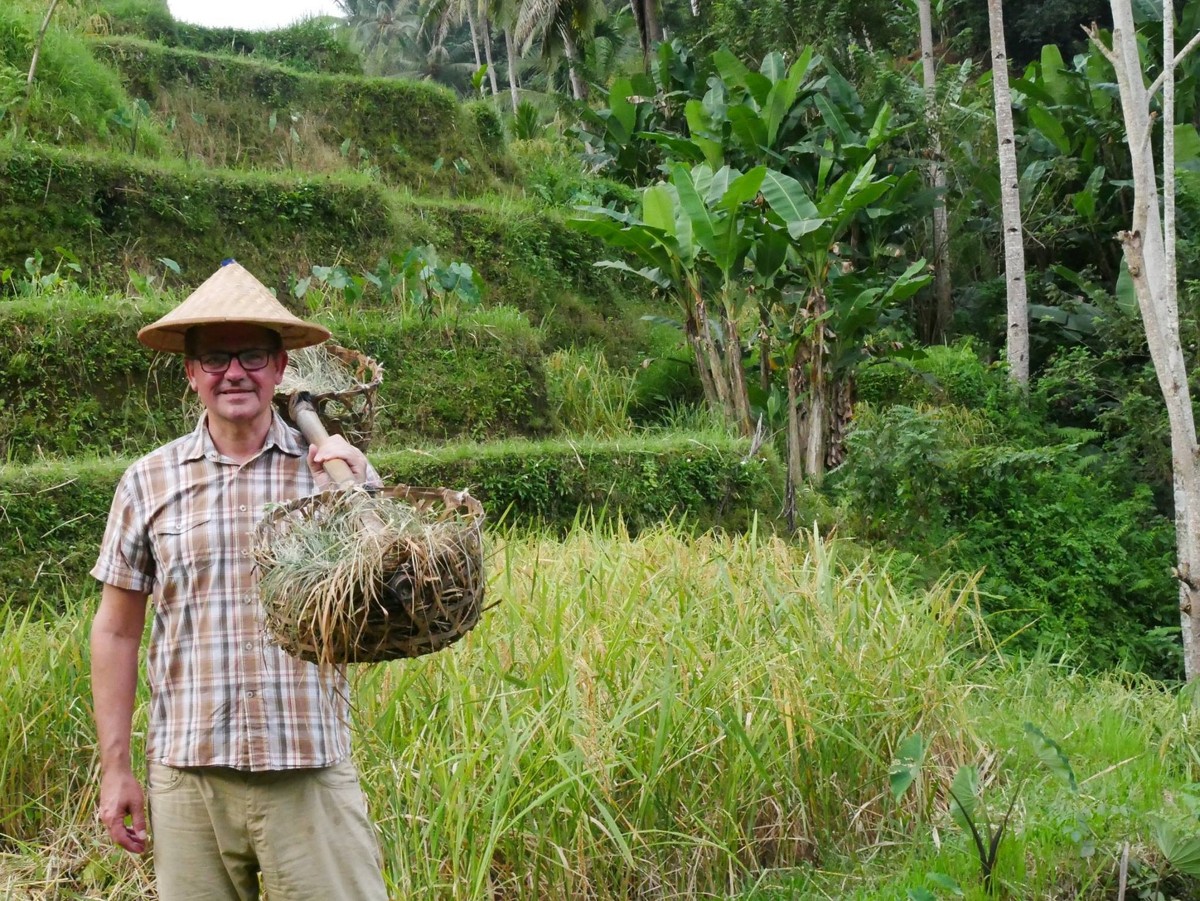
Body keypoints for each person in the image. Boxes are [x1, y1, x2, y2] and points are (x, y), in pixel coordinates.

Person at [89, 260, 389, 901]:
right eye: (215, 357)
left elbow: (396, 587)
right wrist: (116, 770)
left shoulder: (328, 474)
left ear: (281, 369)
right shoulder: (148, 482)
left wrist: (361, 483)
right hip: (189, 778)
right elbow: (116, 631)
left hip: (306, 768)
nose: (234, 372)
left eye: (252, 355)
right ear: (191, 372)